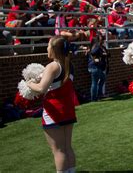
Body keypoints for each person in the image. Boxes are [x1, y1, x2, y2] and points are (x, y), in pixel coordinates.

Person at [27, 36, 77, 173]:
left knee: (58, 150)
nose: (47, 48)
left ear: (54, 49)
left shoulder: (53, 66)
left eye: (49, 45)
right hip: (68, 109)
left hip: (54, 111)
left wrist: (29, 83)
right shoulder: (69, 64)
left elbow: (41, 88)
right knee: (67, 147)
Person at [87, 33, 109, 101]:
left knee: (102, 79)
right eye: (101, 40)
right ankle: (94, 98)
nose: (102, 41)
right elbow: (93, 53)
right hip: (94, 66)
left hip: (95, 67)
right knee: (95, 82)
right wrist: (102, 54)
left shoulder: (95, 46)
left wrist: (103, 54)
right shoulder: (96, 46)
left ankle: (99, 95)